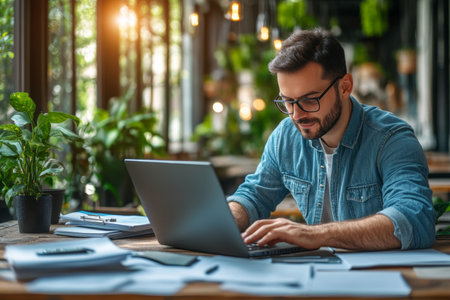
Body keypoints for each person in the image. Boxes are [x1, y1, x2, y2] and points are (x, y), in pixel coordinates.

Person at [227, 28, 436, 251]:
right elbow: (253, 196)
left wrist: (315, 234)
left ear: (345, 87)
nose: (297, 115)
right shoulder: (285, 136)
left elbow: (414, 220)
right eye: (288, 101)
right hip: (314, 275)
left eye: (309, 100)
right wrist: (225, 219)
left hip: (381, 278)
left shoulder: (391, 139)